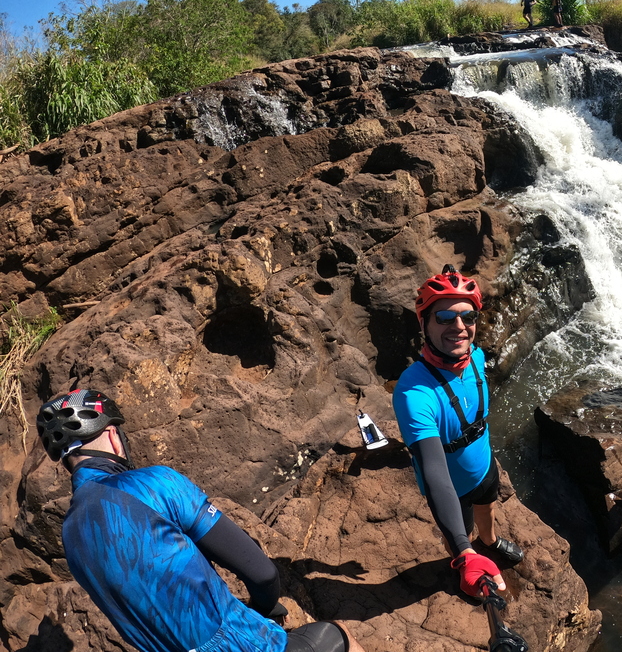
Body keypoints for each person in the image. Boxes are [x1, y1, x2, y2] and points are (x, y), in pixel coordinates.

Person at [36, 389, 362, 652]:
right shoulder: (153, 484)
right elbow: (261, 573)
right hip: (236, 642)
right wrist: (265, 607)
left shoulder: (71, 535)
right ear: (111, 434)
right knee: (337, 635)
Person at [392, 265, 524, 599]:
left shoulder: (476, 356)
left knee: (488, 504)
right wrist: (464, 551)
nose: (459, 327)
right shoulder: (414, 392)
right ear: (423, 323)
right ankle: (467, 562)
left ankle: (489, 541)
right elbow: (435, 473)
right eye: (446, 317)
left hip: (484, 464)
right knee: (459, 534)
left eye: (468, 316)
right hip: (452, 487)